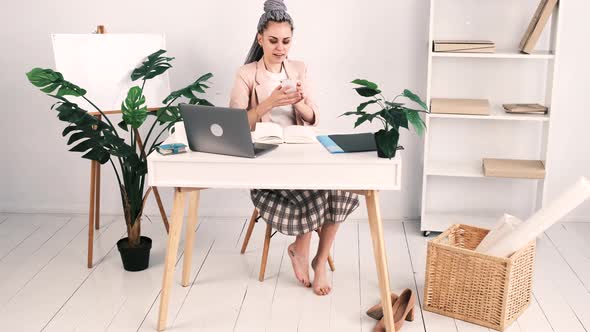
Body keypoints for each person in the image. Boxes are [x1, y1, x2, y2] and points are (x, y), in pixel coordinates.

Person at [229, 0, 359, 296]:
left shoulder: (299, 69)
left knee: (342, 187)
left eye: (286, 41)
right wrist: (269, 103)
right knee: (318, 188)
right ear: (260, 38)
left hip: (302, 153)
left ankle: (319, 259)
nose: (280, 48)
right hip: (267, 162)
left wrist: (299, 100)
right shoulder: (246, 73)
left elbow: (313, 117)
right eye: (273, 40)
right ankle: (305, 253)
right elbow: (234, 125)